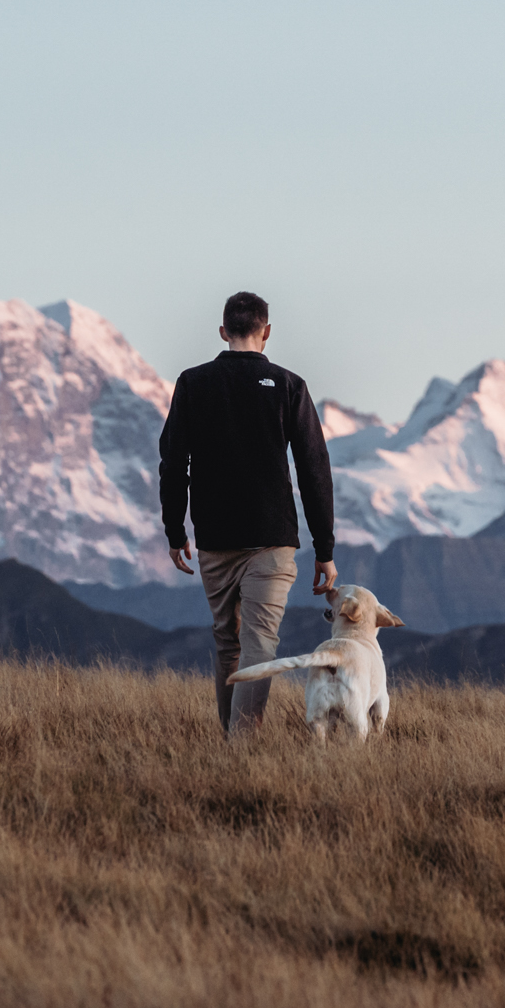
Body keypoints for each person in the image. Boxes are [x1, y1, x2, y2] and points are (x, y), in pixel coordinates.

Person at [159, 291, 338, 738]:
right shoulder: (289, 385)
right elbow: (314, 468)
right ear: (267, 332)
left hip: (214, 538)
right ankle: (241, 748)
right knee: (260, 643)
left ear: (223, 332)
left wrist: (175, 531)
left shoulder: (192, 383)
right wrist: (325, 548)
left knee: (228, 641)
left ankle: (233, 744)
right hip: (273, 539)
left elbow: (173, 462)